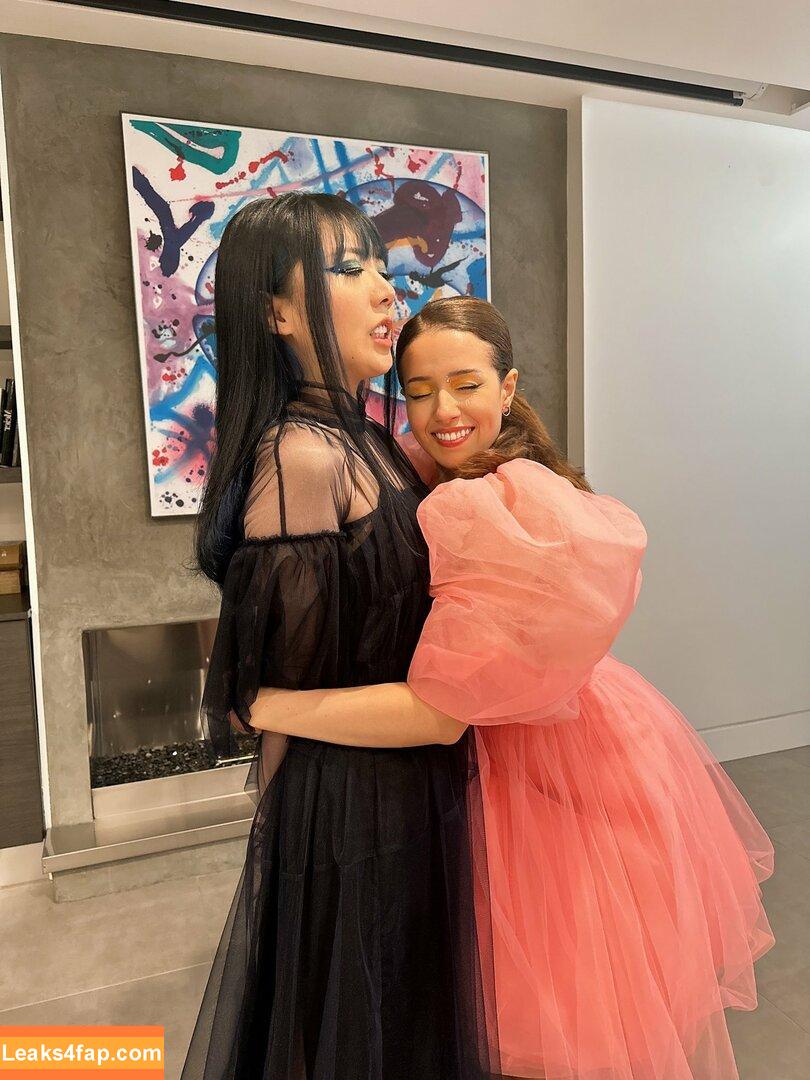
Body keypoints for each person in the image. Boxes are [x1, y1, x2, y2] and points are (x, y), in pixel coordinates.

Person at [248, 297, 775, 1079]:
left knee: (544, 1004)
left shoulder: (484, 502)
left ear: (508, 386)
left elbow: (438, 715)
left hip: (537, 768)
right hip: (584, 732)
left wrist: (265, 706)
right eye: (419, 390)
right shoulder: (479, 475)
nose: (442, 411)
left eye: (465, 385)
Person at [182, 198, 502, 1080]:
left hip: (403, 786)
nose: (385, 291)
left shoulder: (369, 440)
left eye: (383, 269)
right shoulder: (304, 456)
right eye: (348, 269)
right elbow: (276, 693)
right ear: (277, 313)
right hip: (356, 807)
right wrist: (287, 851)